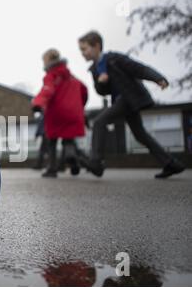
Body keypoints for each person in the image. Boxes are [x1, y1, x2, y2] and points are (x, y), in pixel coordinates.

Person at [78, 31, 185, 179]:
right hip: (121, 101)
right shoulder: (95, 69)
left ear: (96, 46)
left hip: (129, 98)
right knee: (140, 134)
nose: (82, 53)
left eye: (84, 49)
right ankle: (171, 163)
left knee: (99, 122)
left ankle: (96, 162)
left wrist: (157, 78)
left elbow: (138, 68)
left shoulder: (114, 58)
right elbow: (101, 91)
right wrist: (101, 82)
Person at [32, 49, 88, 178]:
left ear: (48, 61)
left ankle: (52, 168)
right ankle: (71, 157)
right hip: (73, 113)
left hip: (56, 113)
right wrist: (80, 105)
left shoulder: (51, 76)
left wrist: (37, 103)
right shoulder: (71, 76)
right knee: (68, 139)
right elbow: (84, 90)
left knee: (51, 141)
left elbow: (47, 90)